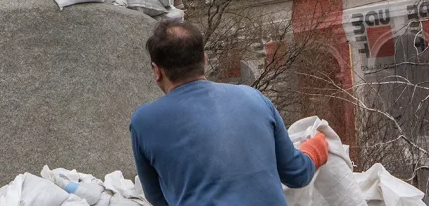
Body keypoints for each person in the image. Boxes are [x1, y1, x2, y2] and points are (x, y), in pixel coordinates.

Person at [130, 20, 329, 206]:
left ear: (157, 71)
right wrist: (315, 149)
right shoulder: (254, 98)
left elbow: (158, 199)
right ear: (204, 59)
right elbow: (296, 173)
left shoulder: (143, 122)